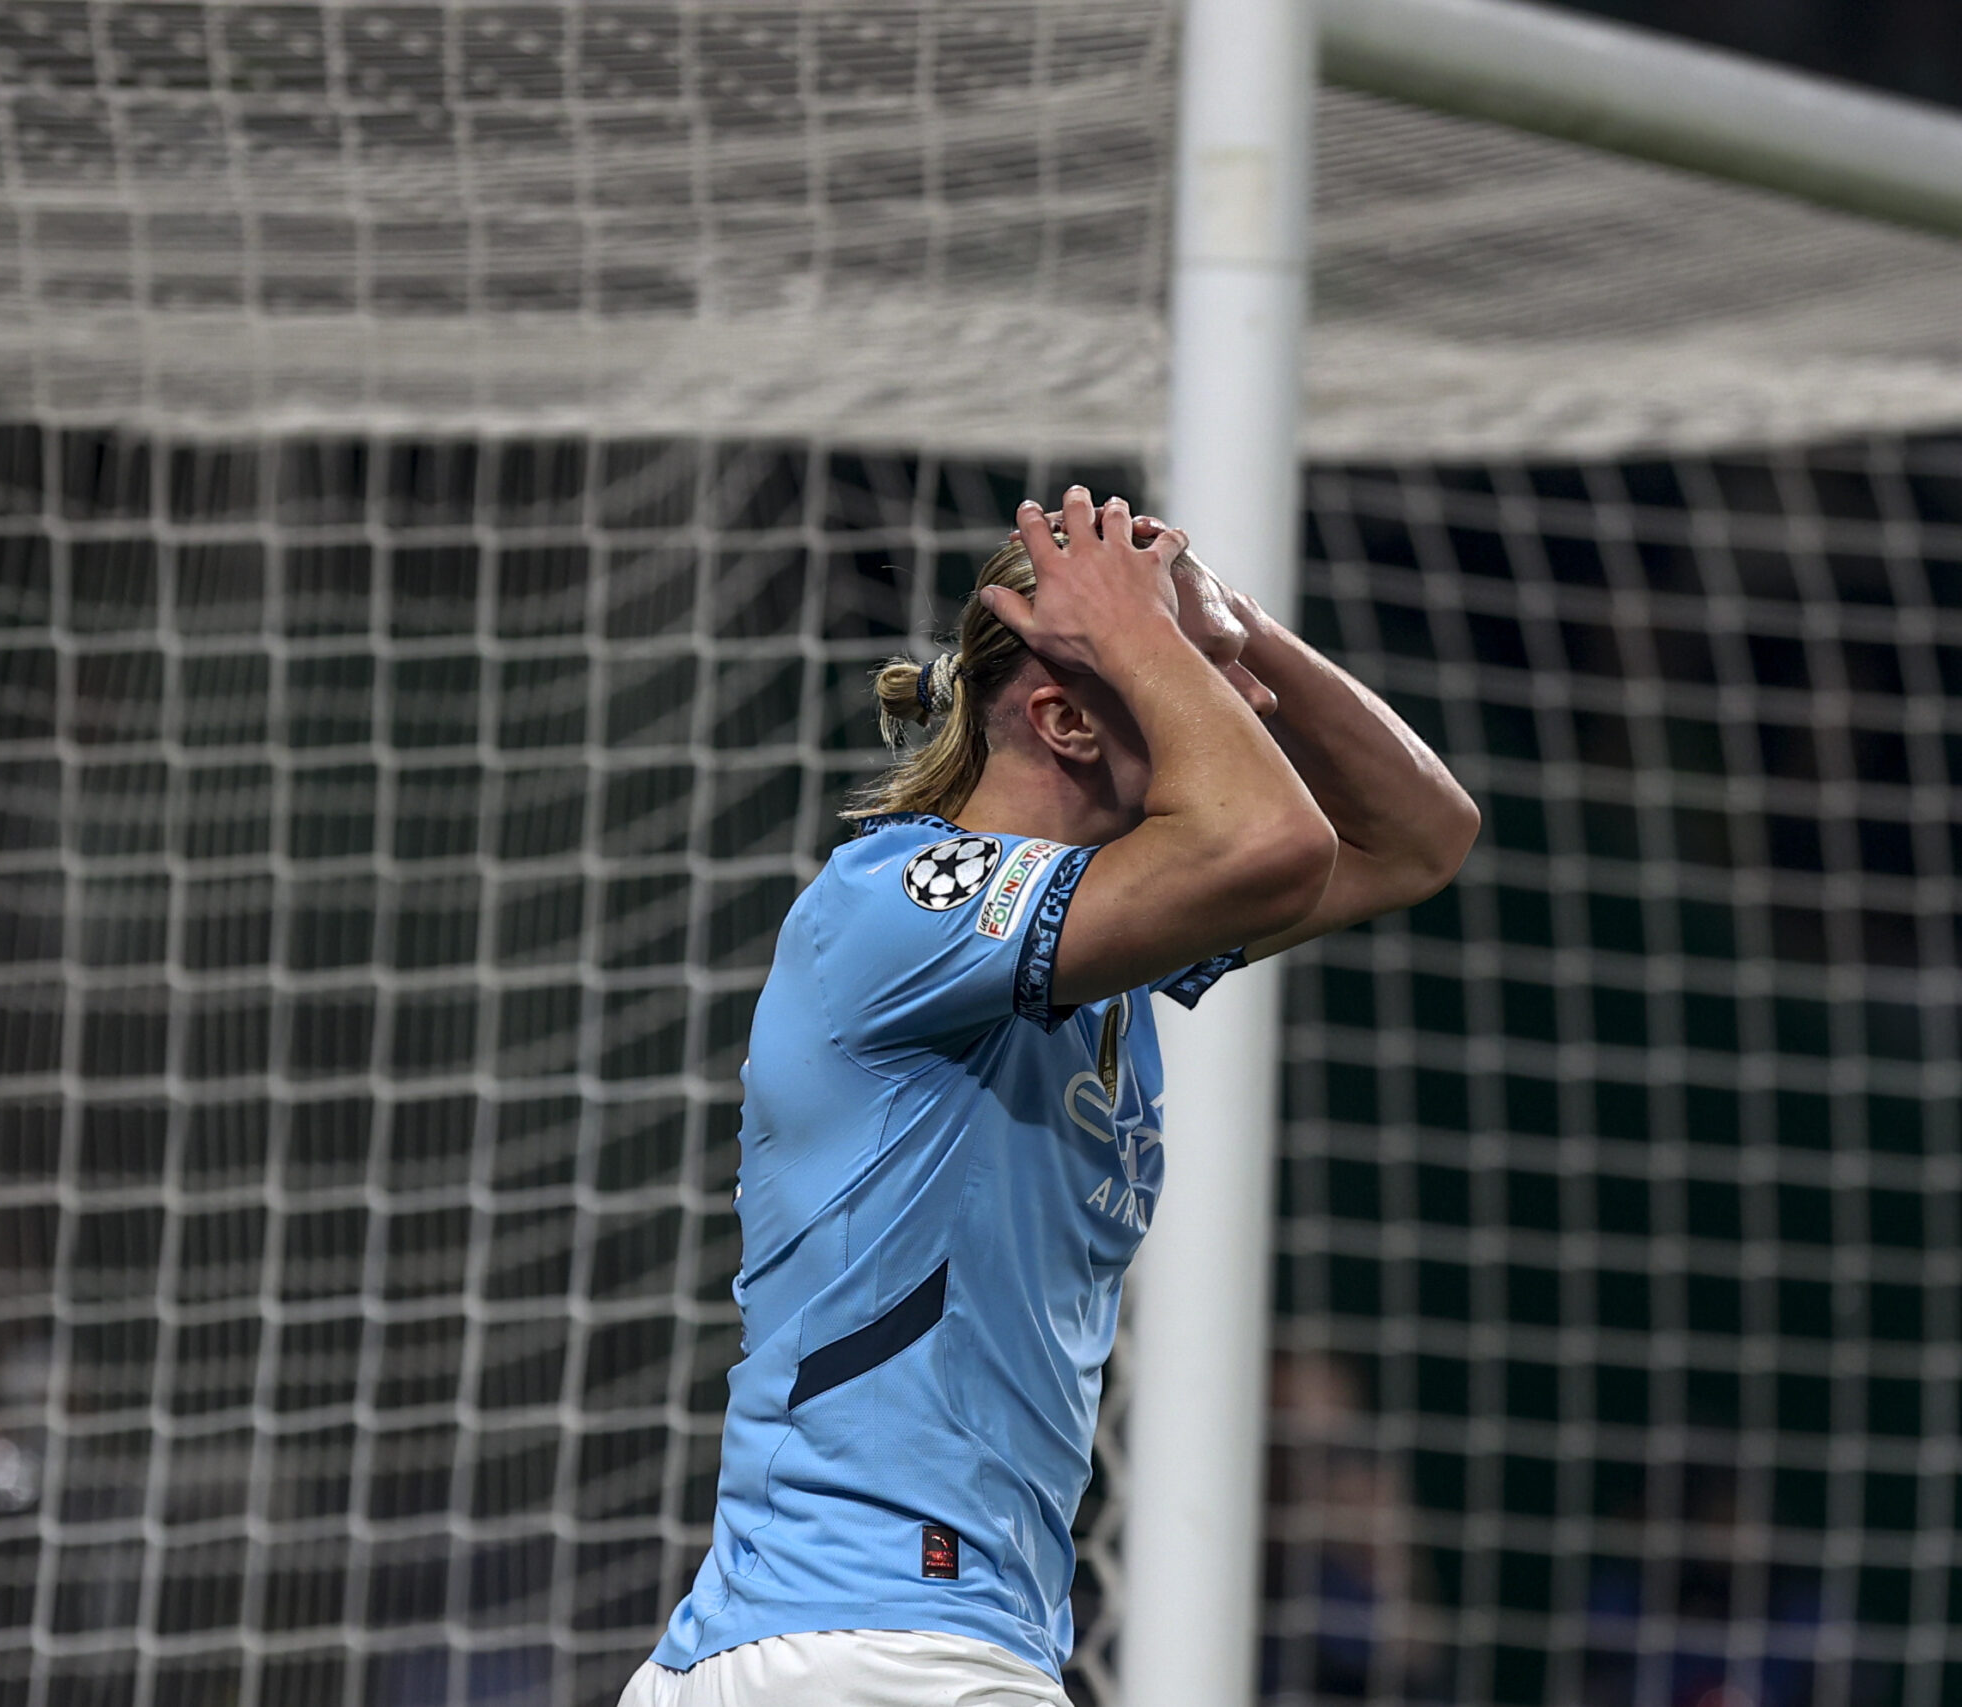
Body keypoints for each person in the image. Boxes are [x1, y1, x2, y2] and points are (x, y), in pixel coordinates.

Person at [622, 488, 1482, 1706]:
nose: (1252, 710)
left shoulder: (1100, 944)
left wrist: (1224, 621)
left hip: (841, 1644)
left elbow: (1418, 840)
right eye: (1197, 678)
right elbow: (1271, 844)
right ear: (1066, 719)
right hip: (878, 1646)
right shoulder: (910, 897)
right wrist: (1147, 633)